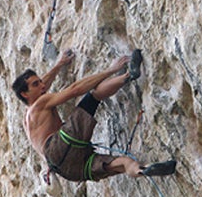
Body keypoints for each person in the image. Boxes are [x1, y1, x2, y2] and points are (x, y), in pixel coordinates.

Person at [12, 49, 175, 182]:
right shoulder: (41, 102)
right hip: (60, 145)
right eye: (36, 84)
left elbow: (42, 84)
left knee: (122, 164)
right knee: (93, 97)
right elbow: (75, 89)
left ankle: (143, 170)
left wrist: (59, 65)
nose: (42, 85)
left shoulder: (28, 120)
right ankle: (128, 75)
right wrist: (111, 69)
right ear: (25, 94)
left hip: (67, 170)